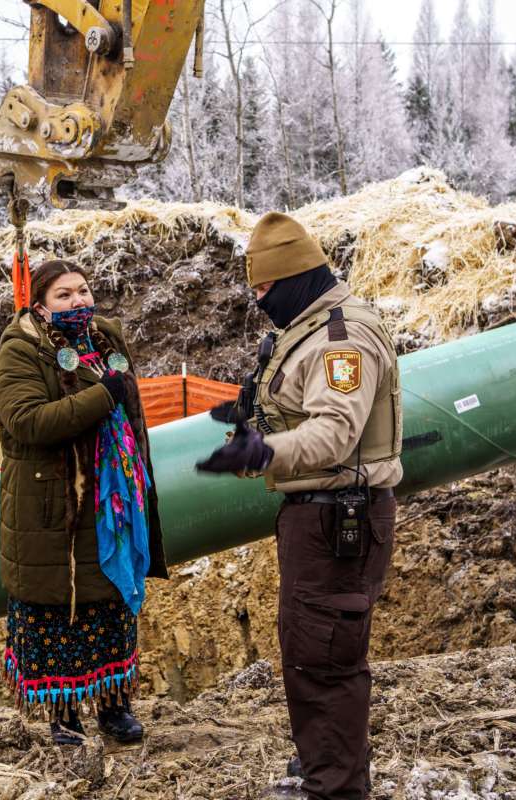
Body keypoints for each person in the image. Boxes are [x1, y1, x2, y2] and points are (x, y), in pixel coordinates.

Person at [197, 212, 403, 800]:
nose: (260, 301)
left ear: (294, 279)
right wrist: (252, 418)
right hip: (320, 516)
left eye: (263, 290)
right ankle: (327, 768)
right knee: (312, 652)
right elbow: (300, 403)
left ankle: (334, 789)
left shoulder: (342, 337)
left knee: (324, 661)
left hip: (341, 515)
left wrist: (261, 451)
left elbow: (336, 432)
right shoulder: (309, 327)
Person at [0, 259, 168, 746]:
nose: (78, 302)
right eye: (64, 295)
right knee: (60, 608)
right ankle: (63, 715)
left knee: (109, 600)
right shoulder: (20, 350)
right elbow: (28, 421)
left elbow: (132, 412)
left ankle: (114, 707)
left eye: (84, 291)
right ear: (40, 305)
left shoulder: (105, 336)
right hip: (51, 505)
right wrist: (103, 396)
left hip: (110, 497)